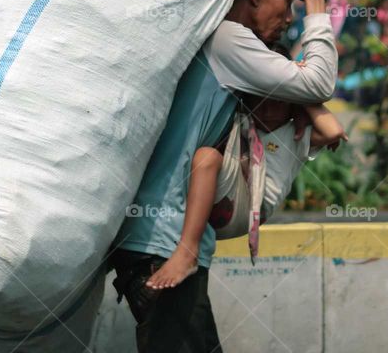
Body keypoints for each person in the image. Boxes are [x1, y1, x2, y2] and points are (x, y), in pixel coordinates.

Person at [109, 0, 337, 353]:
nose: (289, 20)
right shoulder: (230, 40)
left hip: (158, 240)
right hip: (165, 242)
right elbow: (319, 82)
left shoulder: (217, 39)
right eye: (288, 4)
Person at [145, 47, 346, 290]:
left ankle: (188, 251)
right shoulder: (242, 119)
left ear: (292, 103)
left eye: (280, 101)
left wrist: (303, 94)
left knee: (206, 158)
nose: (269, 110)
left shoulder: (295, 134)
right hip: (221, 200)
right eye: (261, 99)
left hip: (248, 210)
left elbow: (334, 131)